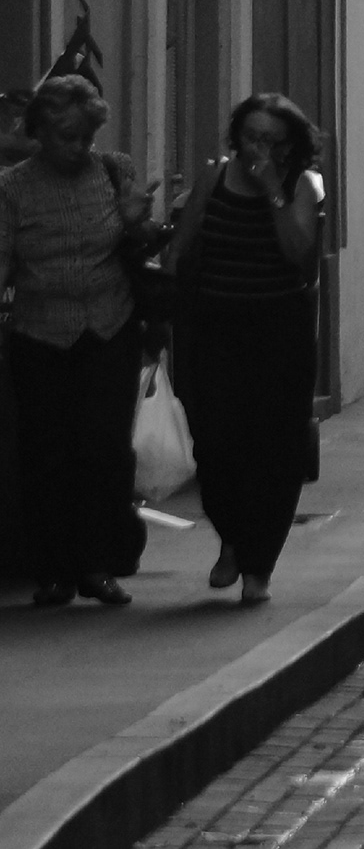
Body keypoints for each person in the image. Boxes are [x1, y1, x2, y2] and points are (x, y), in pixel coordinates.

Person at [0, 75, 152, 606]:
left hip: (109, 328)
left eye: (87, 137)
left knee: (105, 451)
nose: (79, 148)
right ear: (40, 132)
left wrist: (136, 224)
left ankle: (97, 566)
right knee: (47, 453)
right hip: (40, 335)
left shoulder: (113, 170)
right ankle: (53, 571)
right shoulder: (13, 188)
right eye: (68, 137)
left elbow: (140, 242)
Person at [170, 93, 323, 606]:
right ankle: (232, 538)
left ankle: (259, 567)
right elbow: (183, 247)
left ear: (290, 146)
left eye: (273, 141)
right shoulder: (214, 177)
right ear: (237, 136)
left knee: (275, 453)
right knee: (215, 447)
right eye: (252, 137)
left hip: (279, 335)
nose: (260, 149)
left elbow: (297, 252)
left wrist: (273, 190)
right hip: (217, 330)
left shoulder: (301, 186)